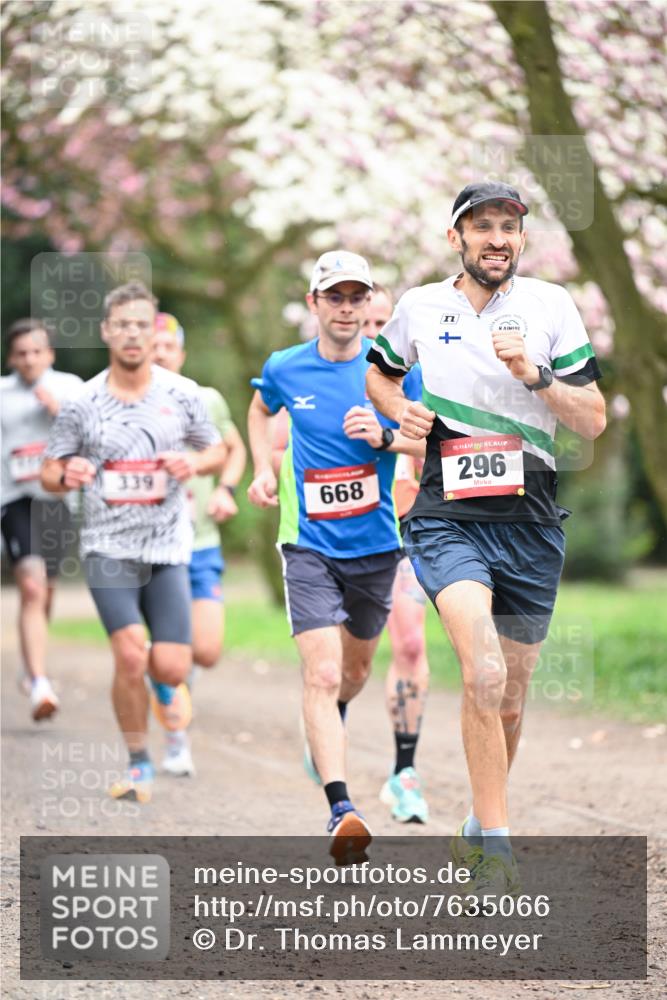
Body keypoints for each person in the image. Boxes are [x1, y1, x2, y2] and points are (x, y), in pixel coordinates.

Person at [366, 181, 606, 897]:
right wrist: (404, 412)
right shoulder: (418, 307)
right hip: (447, 514)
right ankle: (498, 849)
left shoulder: (550, 307)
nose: (497, 238)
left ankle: (477, 824)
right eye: (482, 226)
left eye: (508, 226)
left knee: (511, 695)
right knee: (485, 671)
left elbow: (590, 419)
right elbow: (378, 375)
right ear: (455, 238)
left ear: (520, 239)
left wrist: (533, 377)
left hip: (530, 519)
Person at [247, 251, 424, 860]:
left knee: (352, 674)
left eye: (357, 297)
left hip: (376, 545)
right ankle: (342, 807)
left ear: (370, 303)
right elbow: (259, 406)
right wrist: (260, 469)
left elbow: (426, 443)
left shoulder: (393, 375)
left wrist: (383, 436)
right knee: (321, 675)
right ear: (314, 303)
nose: (346, 308)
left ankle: (331, 721)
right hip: (308, 544)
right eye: (334, 297)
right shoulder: (285, 367)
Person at [41, 282, 226, 803]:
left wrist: (194, 463)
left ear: (153, 331)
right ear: (106, 332)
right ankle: (139, 762)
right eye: (121, 324)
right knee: (129, 655)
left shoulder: (182, 394)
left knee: (168, 665)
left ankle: (169, 687)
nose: (131, 334)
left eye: (141, 324)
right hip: (108, 548)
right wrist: (67, 473)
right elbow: (48, 472)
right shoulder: (83, 401)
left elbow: (215, 452)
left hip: (168, 547)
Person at [151, 311, 246, 777]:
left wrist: (226, 488)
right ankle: (175, 740)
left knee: (205, 650)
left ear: (181, 352)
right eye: (151, 347)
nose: (159, 354)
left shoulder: (204, 398)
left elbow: (235, 449)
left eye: (167, 346)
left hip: (201, 540)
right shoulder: (124, 403)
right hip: (149, 545)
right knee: (170, 652)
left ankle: (170, 678)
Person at [362, 285, 430, 824]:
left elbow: (442, 444)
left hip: (404, 526)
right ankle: (325, 718)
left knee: (409, 641)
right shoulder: (322, 376)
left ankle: (403, 772)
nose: (374, 331)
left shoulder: (423, 378)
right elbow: (279, 433)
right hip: (339, 536)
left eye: (384, 322)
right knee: (347, 661)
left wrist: (387, 440)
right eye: (365, 321)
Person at [1, 319, 83, 721]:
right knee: (31, 587)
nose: (29, 359)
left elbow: (93, 436)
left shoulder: (71, 388)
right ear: (11, 358)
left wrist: (60, 412)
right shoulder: (1, 394)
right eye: (21, 353)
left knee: (45, 591)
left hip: (57, 500)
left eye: (37, 351)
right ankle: (39, 682)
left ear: (49, 354)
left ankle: (31, 663)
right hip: (13, 499)